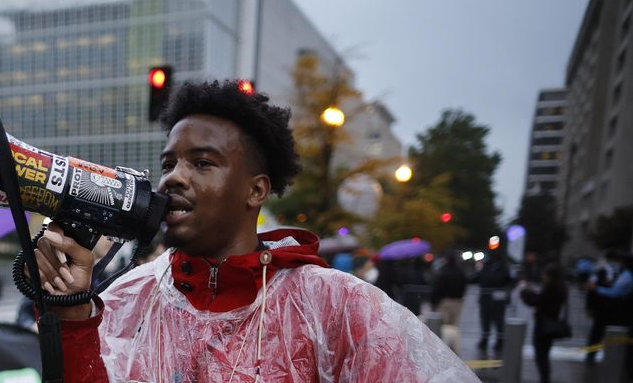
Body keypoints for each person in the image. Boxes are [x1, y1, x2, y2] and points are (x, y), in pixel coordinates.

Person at [31, 81, 475, 381]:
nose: (173, 179)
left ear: (255, 190)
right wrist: (70, 316)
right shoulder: (130, 298)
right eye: (169, 164)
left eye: (202, 163)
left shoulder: (337, 305)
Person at [519, 265, 568, 383]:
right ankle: (545, 377)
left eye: (544, 275)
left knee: (541, 355)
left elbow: (537, 301)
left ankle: (544, 378)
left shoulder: (550, 288)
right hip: (550, 323)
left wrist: (525, 290)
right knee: (544, 354)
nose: (543, 277)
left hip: (544, 325)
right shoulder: (561, 287)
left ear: (549, 276)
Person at [470, 252, 513, 351]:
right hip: (487, 299)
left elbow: (507, 280)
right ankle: (486, 338)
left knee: (498, 320)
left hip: (496, 300)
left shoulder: (502, 268)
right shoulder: (487, 267)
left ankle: (499, 340)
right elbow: (477, 278)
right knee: (486, 320)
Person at [431, 253, 467, 353]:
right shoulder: (460, 272)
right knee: (454, 326)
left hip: (445, 301)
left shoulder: (443, 271)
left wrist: (434, 301)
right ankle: (454, 347)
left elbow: (437, 287)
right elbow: (464, 285)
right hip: (457, 301)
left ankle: (444, 347)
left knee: (444, 326)